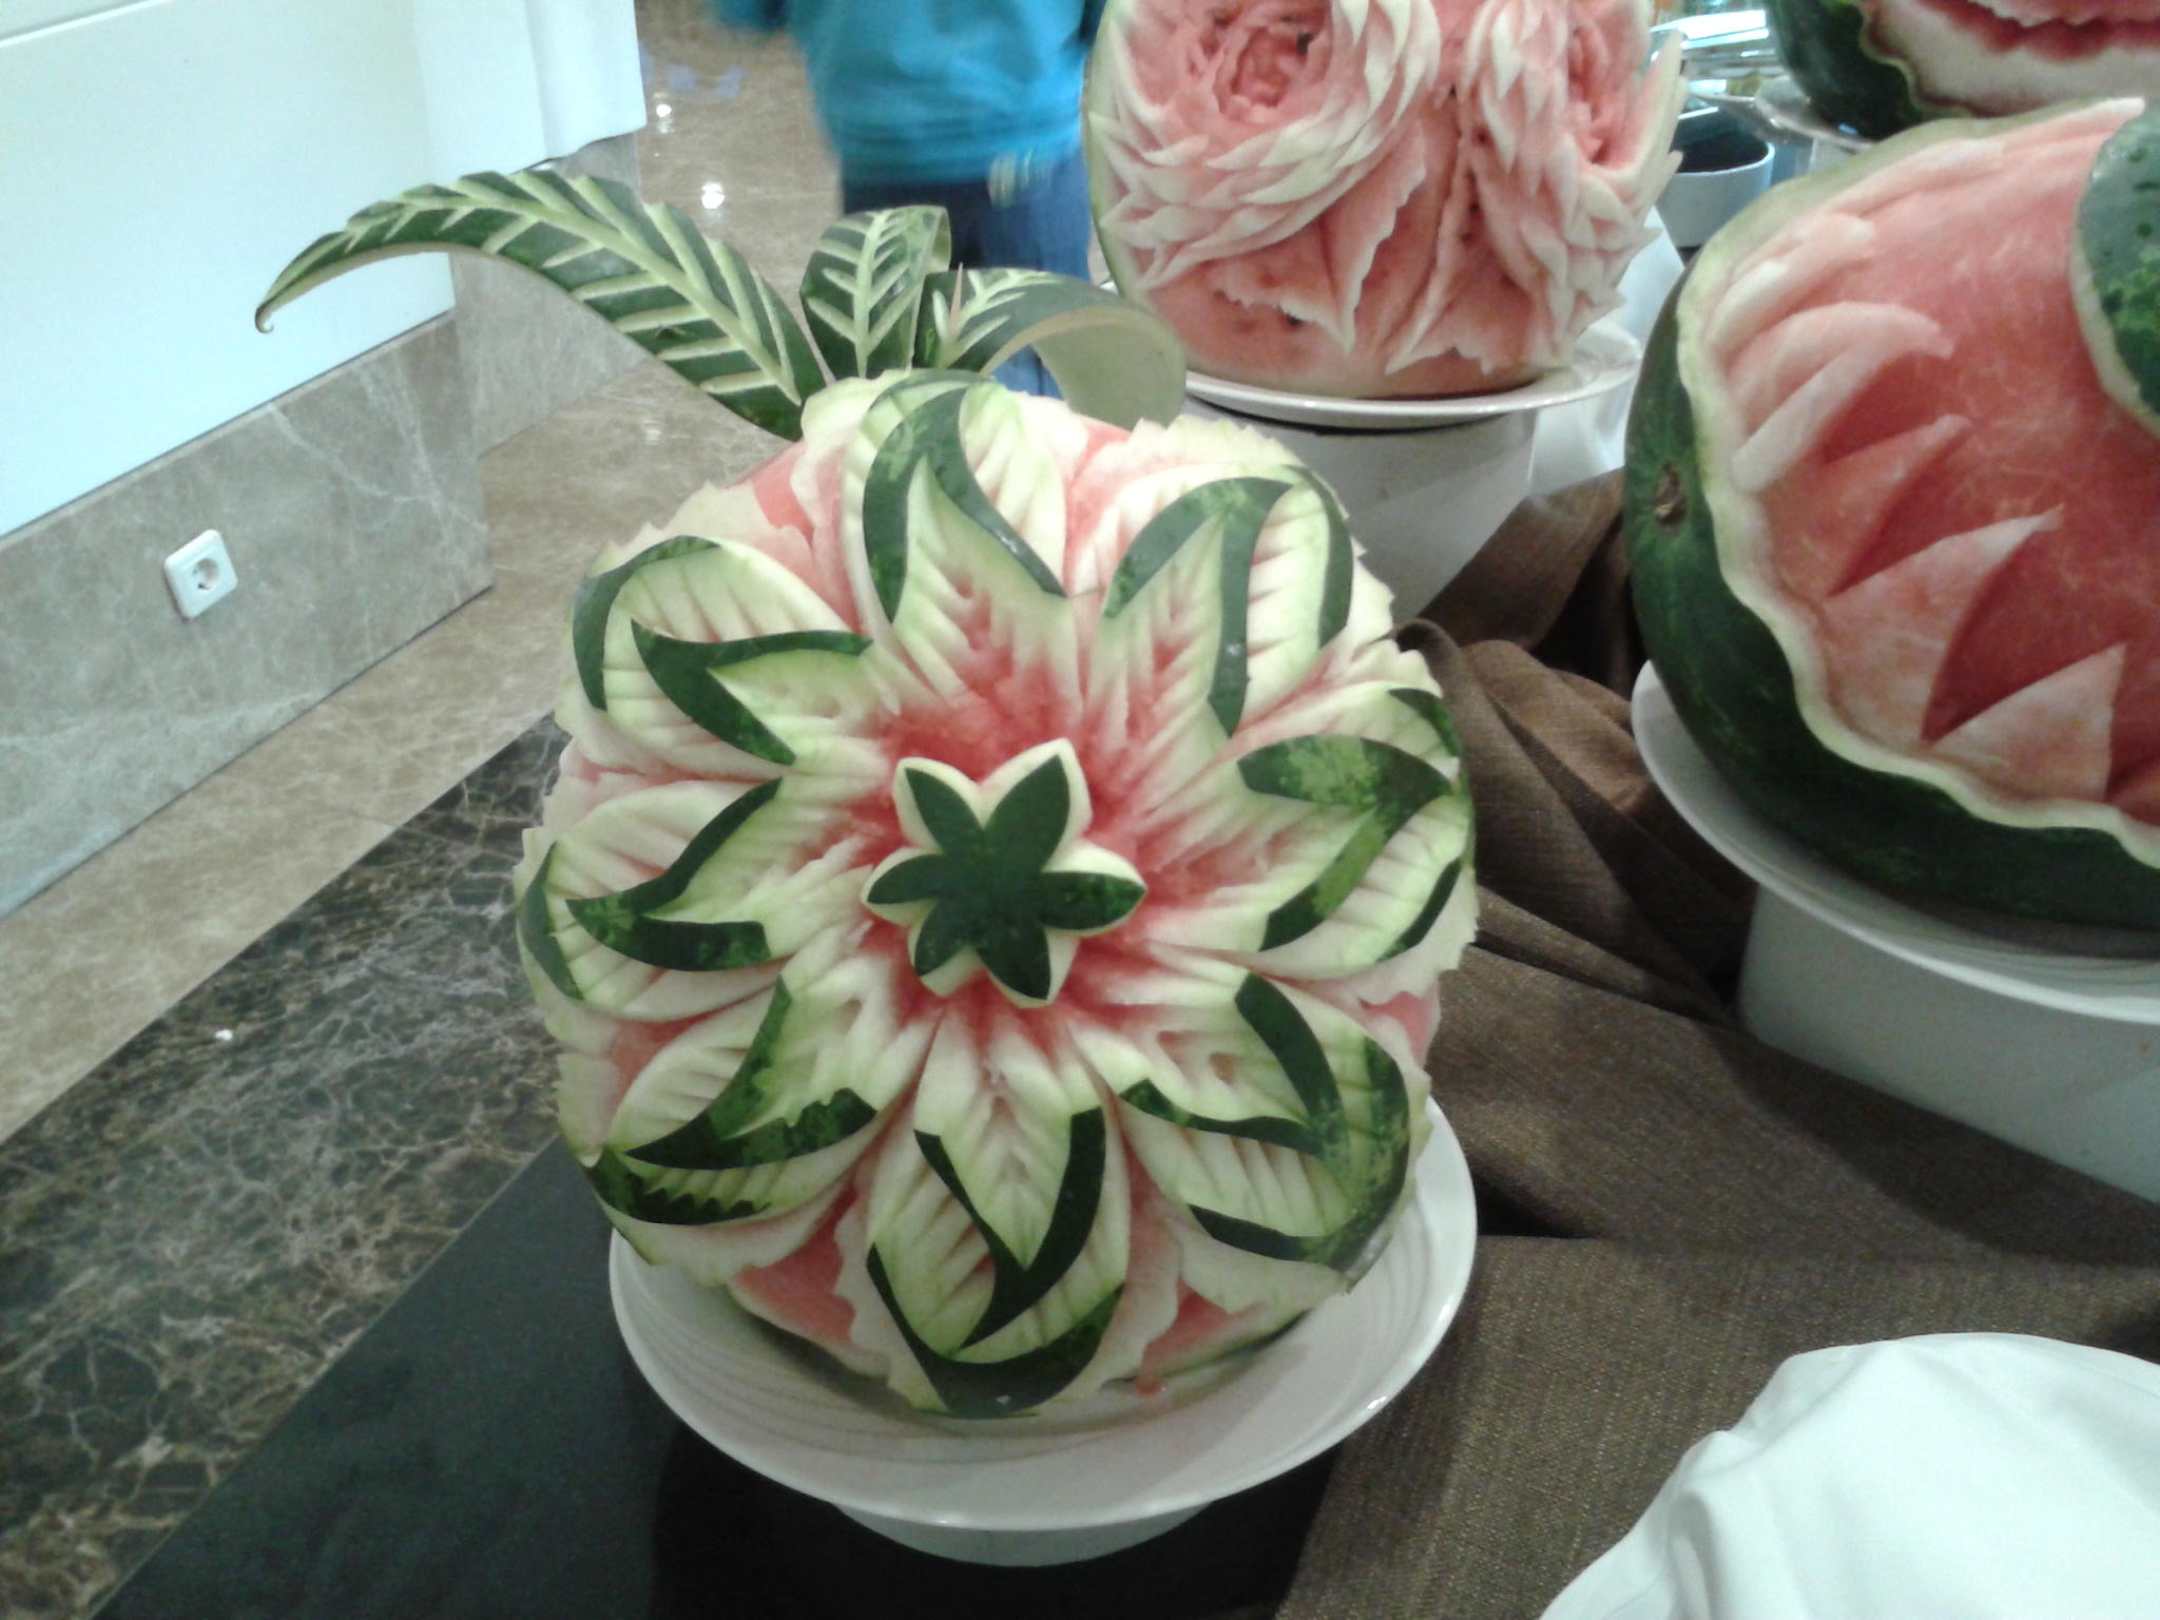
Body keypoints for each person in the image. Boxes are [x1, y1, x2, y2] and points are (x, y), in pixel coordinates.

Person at [710, 0, 1102, 296]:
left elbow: (747, 10)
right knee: (1039, 358)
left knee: (896, 366)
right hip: (1027, 152)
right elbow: (1117, 21)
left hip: (879, 153)